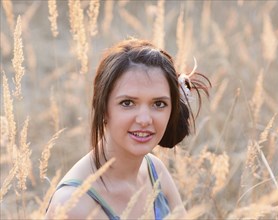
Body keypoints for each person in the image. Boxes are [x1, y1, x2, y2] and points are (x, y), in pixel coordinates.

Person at [45, 38, 210, 219]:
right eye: (127, 103)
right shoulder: (74, 204)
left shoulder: (154, 170)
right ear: (103, 108)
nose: (145, 119)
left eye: (159, 104)